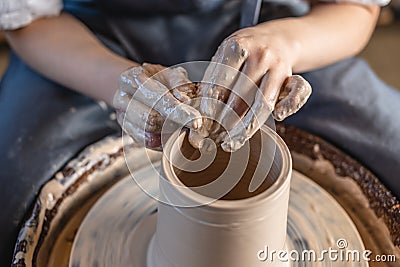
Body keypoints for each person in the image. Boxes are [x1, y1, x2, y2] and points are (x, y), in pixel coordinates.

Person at [1, 0, 399, 265]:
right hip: (91, 41)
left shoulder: (282, 42)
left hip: (275, 35)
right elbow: (27, 21)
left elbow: (354, 9)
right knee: (12, 193)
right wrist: (119, 84)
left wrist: (287, 44)